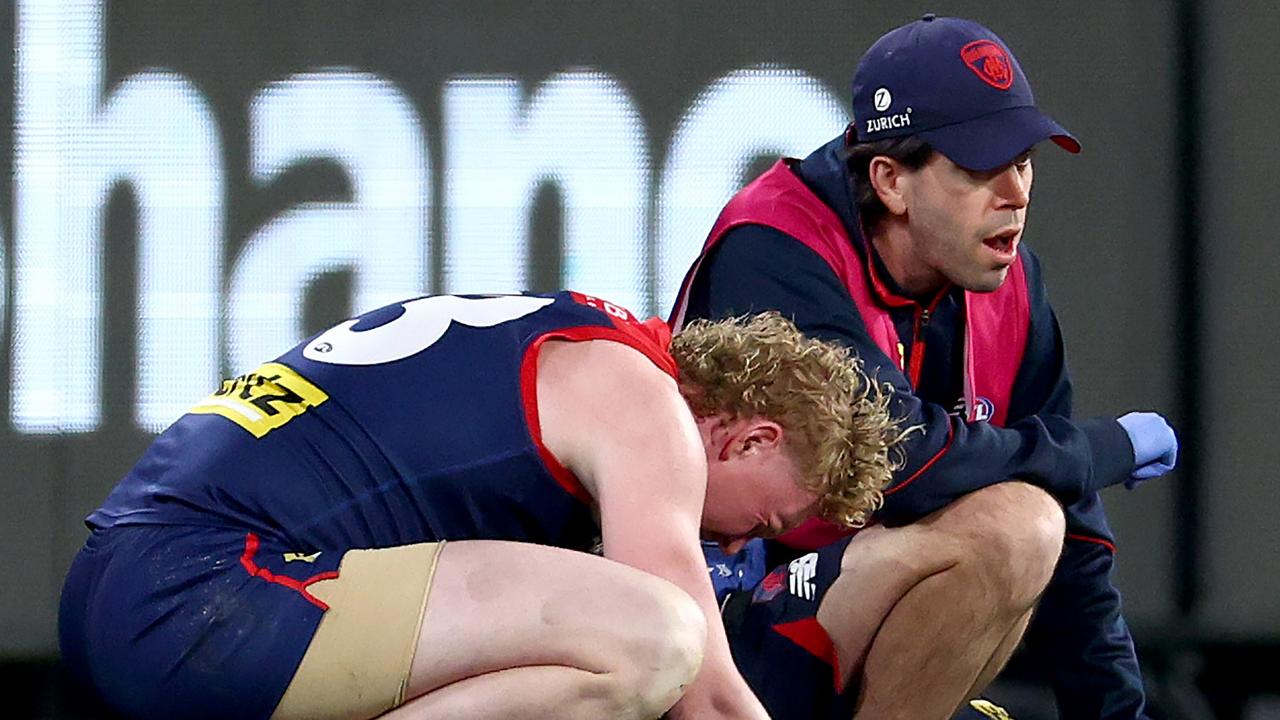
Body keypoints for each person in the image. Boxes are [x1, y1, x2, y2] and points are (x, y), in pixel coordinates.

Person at [58, 290, 905, 720]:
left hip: (142, 584)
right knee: (654, 638)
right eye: (759, 522)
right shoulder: (647, 412)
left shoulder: (572, 346)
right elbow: (707, 699)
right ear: (748, 438)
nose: (731, 543)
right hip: (202, 592)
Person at [669, 14, 1179, 720]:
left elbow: (1075, 521)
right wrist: (1102, 447)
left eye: (1024, 160)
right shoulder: (778, 246)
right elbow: (899, 462)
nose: (1016, 194)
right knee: (1014, 525)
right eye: (977, 168)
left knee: (1040, 518)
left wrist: (1116, 713)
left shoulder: (1009, 279)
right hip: (706, 623)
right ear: (890, 181)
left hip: (838, 611)